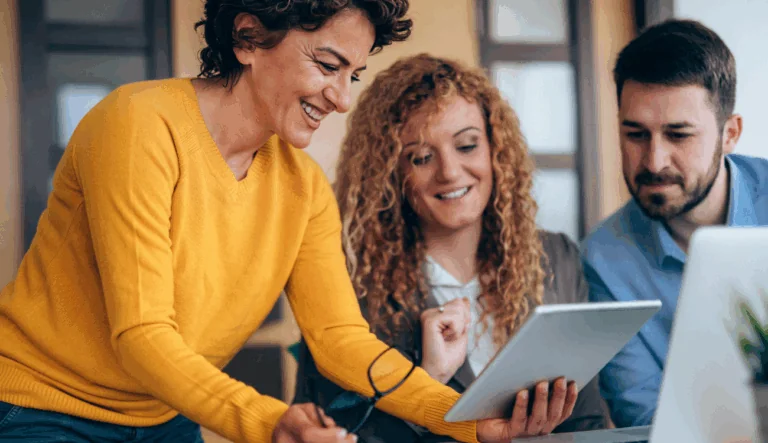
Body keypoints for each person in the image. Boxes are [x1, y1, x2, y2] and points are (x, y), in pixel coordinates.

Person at [0, 2, 537, 442]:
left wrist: (463, 418)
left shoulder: (302, 188)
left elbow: (340, 339)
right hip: (40, 407)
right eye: (328, 66)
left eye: (353, 74)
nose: (343, 98)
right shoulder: (139, 126)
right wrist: (266, 420)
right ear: (249, 38)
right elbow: (141, 335)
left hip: (163, 414)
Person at [294, 53, 609, 443]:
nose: (449, 172)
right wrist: (428, 380)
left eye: (467, 145)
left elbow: (587, 422)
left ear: (495, 150)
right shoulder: (347, 283)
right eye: (421, 157)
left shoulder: (555, 259)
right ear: (392, 173)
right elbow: (329, 432)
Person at [581, 18, 768, 428]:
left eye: (678, 135)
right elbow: (645, 417)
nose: (653, 161)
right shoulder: (604, 258)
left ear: (730, 133)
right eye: (635, 135)